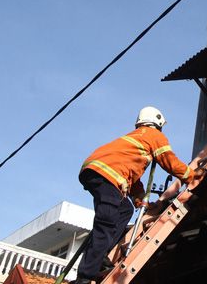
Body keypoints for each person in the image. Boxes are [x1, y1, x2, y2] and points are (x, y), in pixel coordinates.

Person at [75, 106, 195, 284]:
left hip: (98, 171)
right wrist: (192, 176)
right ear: (158, 123)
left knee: (124, 209)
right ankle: (85, 277)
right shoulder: (154, 135)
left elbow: (133, 179)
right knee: (106, 223)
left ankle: (101, 257)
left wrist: (141, 202)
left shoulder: (135, 138)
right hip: (107, 175)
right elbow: (169, 161)